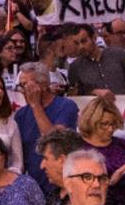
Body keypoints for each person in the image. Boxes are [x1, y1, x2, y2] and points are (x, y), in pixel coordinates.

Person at [13, 64, 78, 196]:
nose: (22, 90)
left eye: (26, 84)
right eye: (20, 85)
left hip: (61, 182)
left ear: (43, 85)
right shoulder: (21, 115)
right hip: (34, 186)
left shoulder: (66, 106)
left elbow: (54, 140)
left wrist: (36, 105)